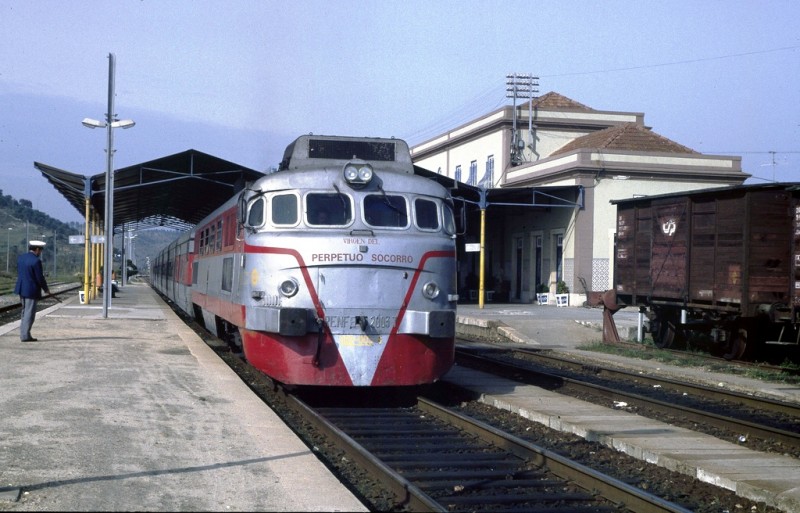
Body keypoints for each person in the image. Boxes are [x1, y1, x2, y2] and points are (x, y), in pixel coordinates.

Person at [14, 240, 50, 342]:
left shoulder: (21, 258)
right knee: (29, 313)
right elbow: (39, 277)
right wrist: (46, 289)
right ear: (37, 249)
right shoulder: (36, 261)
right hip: (31, 290)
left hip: (21, 288)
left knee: (24, 312)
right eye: (40, 250)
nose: (40, 253)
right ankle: (25, 336)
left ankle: (23, 334)